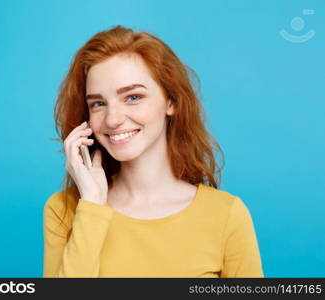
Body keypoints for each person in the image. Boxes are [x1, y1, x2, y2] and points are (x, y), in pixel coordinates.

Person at [43, 25, 263, 278]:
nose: (112, 119)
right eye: (99, 103)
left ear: (171, 101)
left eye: (133, 97)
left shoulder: (226, 215)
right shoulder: (64, 210)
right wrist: (91, 205)